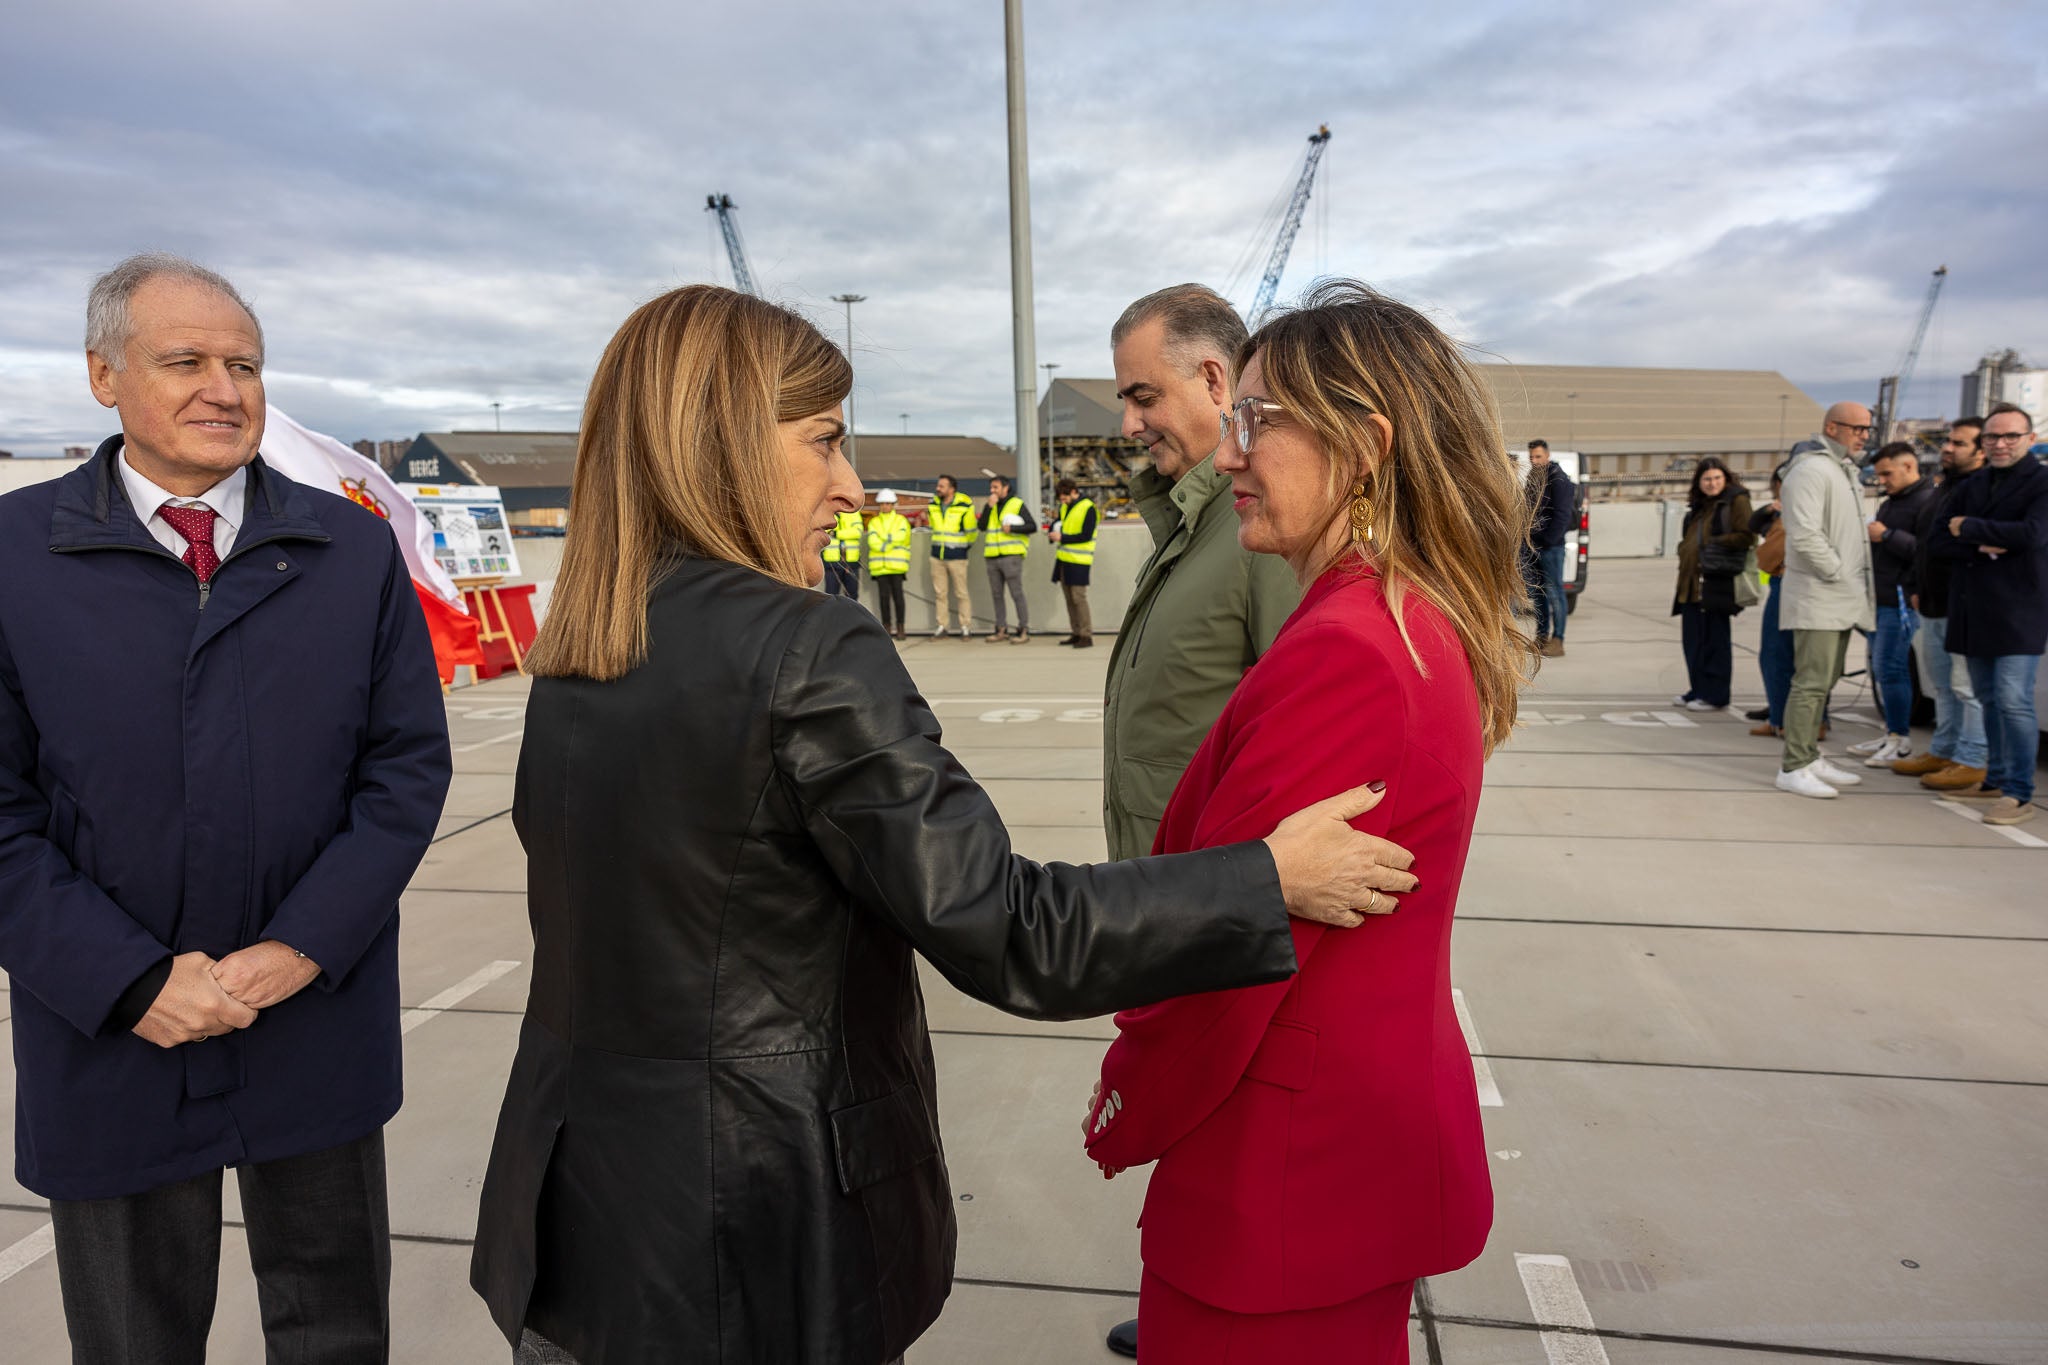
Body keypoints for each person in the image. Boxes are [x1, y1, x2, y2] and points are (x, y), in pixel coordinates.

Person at [466, 285, 1425, 1365]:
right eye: (823, 441)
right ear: (723, 443)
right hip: (748, 1229)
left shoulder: (583, 649)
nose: (851, 485)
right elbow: (1003, 928)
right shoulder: (806, 647)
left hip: (577, 1221)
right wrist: (1260, 878)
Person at [0, 252, 452, 1361]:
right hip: (111, 1032)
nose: (225, 387)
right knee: (133, 1338)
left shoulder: (347, 549)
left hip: (310, 1018)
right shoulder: (13, 556)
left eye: (244, 363)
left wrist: (303, 946)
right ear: (104, 377)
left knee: (335, 1326)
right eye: (186, 361)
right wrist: (126, 980)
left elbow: (403, 771)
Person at [1082, 281, 1527, 1364]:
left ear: (1364, 444)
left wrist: (1128, 1091)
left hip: (1284, 1165)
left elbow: (1235, 960)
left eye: (1259, 420)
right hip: (1334, 1150)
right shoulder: (1397, 613)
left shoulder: (1348, 646)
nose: (1230, 453)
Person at [1102, 284, 1302, 866]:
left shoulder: (1263, 534)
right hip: (1165, 897)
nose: (1128, 425)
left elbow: (1300, 760)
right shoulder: (1190, 524)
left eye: (1144, 397)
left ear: (1216, 381)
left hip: (1208, 908)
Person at [1927, 402, 2048, 827]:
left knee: (2014, 701)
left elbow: (2032, 536)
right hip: (1972, 609)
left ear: (2029, 439)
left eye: (2010, 436)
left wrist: (1970, 528)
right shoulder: (1972, 484)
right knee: (1988, 699)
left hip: (2018, 612)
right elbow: (1938, 540)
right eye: (1992, 437)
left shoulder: (2042, 482)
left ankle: (2018, 793)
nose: (2000, 444)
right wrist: (1984, 544)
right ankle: (1995, 778)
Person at [1775, 403, 1877, 799]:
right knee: (1811, 682)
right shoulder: (1812, 470)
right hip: (1822, 593)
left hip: (1841, 596)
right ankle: (1794, 765)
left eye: (1868, 429)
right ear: (1831, 427)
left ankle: (1810, 755)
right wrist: (1837, 572)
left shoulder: (1842, 470)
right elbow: (1804, 534)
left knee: (1827, 679)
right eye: (1857, 428)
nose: (1864, 435)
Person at [1892, 419, 1989, 790]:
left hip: (1961, 603)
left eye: (1958, 444)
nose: (1947, 448)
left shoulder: (1980, 491)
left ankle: (1972, 758)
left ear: (1980, 452)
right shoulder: (1943, 489)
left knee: (1967, 686)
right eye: (1948, 441)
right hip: (1931, 602)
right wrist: (1916, 585)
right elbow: (1926, 544)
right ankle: (1944, 749)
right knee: (1943, 685)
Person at [1847, 442, 1936, 765]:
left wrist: (1886, 536)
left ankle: (1899, 739)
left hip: (1900, 600)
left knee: (1893, 668)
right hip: (1879, 598)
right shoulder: (1893, 502)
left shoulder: (1926, 502)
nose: (1882, 480)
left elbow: (1927, 551)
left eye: (1887, 473)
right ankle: (1892, 734)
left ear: (1909, 466)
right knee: (1883, 670)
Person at [1670, 456, 1753, 712]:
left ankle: (1715, 694)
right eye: (1707, 479)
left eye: (1717, 478)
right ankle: (1698, 689)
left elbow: (1747, 535)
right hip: (1691, 583)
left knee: (1715, 640)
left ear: (1726, 478)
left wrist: (1714, 544)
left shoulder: (1735, 501)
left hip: (1715, 581)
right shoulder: (1700, 506)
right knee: (1693, 641)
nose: (1712, 483)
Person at [1747, 463, 1793, 737]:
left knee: (1780, 655)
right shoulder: (1781, 513)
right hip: (1782, 583)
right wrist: (1770, 508)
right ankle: (1778, 715)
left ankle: (1786, 719)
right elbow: (1753, 523)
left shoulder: (1793, 516)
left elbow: (1765, 557)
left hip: (1788, 583)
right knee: (1778, 655)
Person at [1524, 437, 1575, 657]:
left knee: (1555, 594)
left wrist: (1549, 539)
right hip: (1534, 545)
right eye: (1532, 457)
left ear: (1547, 455)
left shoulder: (1558, 479)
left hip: (1551, 547)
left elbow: (1563, 514)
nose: (1535, 460)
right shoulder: (1534, 478)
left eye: (1538, 456)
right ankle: (1541, 636)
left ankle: (1558, 639)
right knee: (1538, 594)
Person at [980, 472, 1036, 642]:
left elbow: (1032, 526)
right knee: (997, 595)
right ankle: (1001, 628)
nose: (992, 490)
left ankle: (1023, 629)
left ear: (1006, 488)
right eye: (991, 487)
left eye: (996, 487)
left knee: (1016, 593)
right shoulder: (990, 505)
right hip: (992, 556)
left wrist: (1012, 528)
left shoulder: (1016, 504)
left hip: (1011, 556)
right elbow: (981, 526)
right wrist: (989, 507)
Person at [926, 473, 977, 636]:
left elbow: (971, 532)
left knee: (961, 593)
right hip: (937, 556)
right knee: (940, 594)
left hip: (957, 556)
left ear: (952, 489)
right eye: (938, 485)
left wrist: (962, 547)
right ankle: (942, 626)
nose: (938, 488)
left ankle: (965, 626)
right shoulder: (933, 503)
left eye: (942, 486)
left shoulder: (964, 504)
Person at [1049, 477, 1098, 646]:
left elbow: (1086, 535)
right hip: (1064, 560)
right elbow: (1059, 523)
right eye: (1060, 499)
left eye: (1064, 497)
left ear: (1073, 492)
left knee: (1079, 599)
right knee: (1069, 599)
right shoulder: (1065, 507)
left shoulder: (1088, 508)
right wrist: (1052, 531)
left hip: (1079, 561)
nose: (1062, 501)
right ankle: (1076, 633)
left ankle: (1086, 635)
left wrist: (1062, 537)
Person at [865, 487, 911, 640]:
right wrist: (890, 540)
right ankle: (887, 627)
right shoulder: (874, 522)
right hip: (880, 568)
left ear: (893, 505)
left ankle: (900, 627)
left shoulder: (901, 521)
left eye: (888, 503)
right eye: (882, 503)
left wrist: (883, 541)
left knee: (899, 598)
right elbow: (872, 541)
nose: (885, 506)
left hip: (897, 567)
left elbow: (902, 537)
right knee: (883, 599)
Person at [821, 506, 863, 597]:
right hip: (831, 562)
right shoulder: (826, 513)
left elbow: (857, 532)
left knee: (852, 596)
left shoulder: (854, 514)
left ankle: (850, 612)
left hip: (851, 562)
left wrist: (836, 533)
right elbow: (823, 531)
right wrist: (846, 533)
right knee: (830, 596)